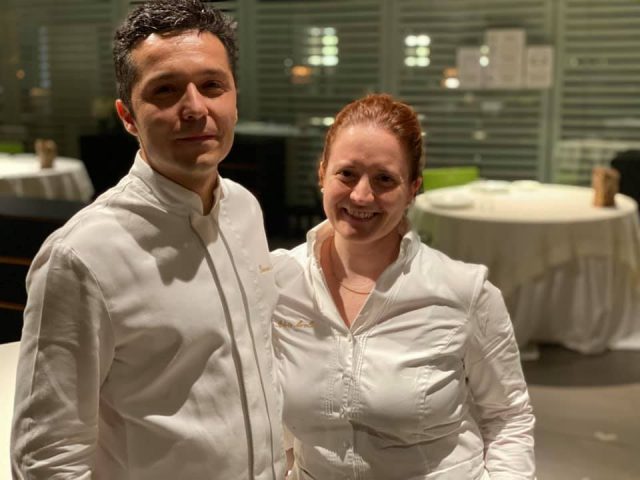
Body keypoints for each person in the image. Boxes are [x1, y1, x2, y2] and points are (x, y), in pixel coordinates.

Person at [11, 1, 284, 478]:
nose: (195, 108)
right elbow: (48, 456)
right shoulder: (81, 256)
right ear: (128, 116)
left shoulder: (245, 208)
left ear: (235, 99)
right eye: (165, 90)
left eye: (212, 85)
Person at [271, 94, 535, 479]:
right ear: (322, 173)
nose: (362, 195)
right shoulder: (278, 280)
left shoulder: (464, 291)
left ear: (413, 189)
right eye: (347, 174)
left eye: (384, 179)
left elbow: (508, 416)